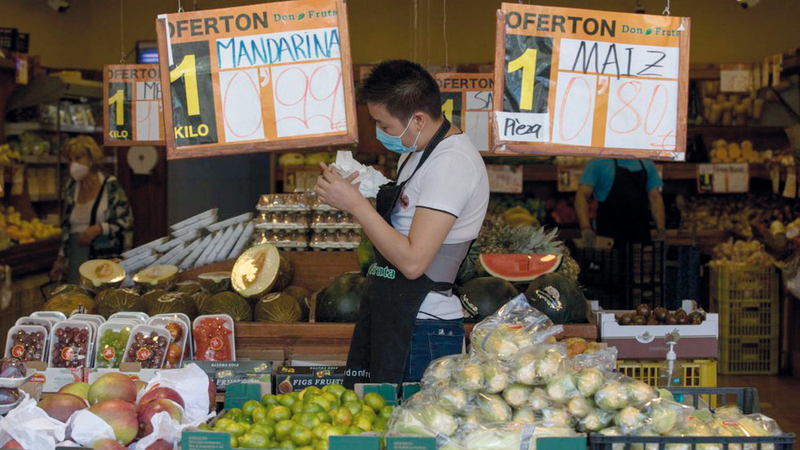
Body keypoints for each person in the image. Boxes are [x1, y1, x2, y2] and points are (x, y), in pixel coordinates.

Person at [315, 60, 489, 386]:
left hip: (423, 327)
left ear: (419, 120)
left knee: (410, 434)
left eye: (385, 125)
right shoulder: (416, 151)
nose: (380, 134)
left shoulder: (452, 163)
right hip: (394, 314)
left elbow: (413, 262)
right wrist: (362, 187)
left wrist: (354, 204)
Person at [50, 136, 133, 284]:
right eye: (70, 160)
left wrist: (99, 229)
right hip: (76, 257)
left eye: (78, 158)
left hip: (104, 259)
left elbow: (127, 221)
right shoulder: (71, 187)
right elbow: (66, 228)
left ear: (91, 158)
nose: (73, 164)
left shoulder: (110, 186)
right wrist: (60, 260)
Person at [575, 158, 665, 247]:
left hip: (640, 235)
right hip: (608, 239)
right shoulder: (598, 162)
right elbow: (581, 196)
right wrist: (585, 229)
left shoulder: (647, 163)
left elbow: (655, 198)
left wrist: (661, 230)